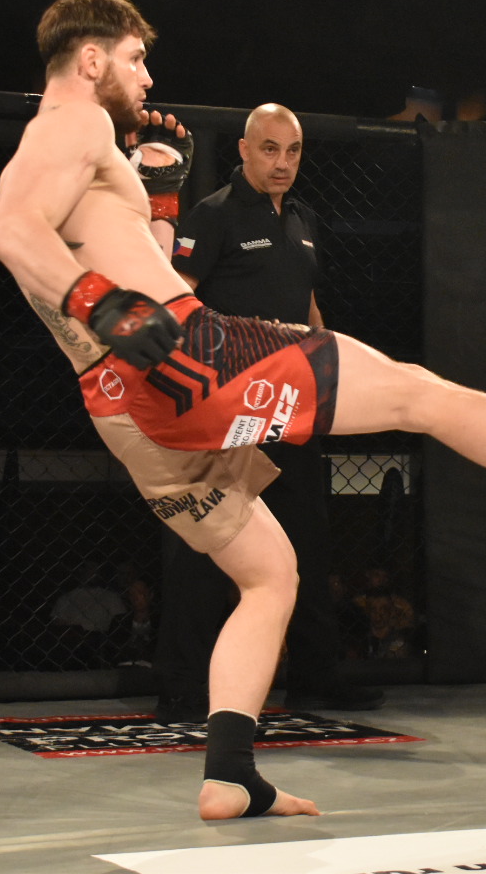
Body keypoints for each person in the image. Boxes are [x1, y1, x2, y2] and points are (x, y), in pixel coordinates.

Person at [0, 0, 486, 821]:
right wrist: (103, 303)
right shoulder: (73, 122)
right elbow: (12, 232)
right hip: (191, 360)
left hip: (127, 415)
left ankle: (229, 772)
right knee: (420, 394)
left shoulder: (86, 152)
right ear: (91, 59)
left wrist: (164, 203)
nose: (146, 77)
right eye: (136, 59)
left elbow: (135, 267)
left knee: (269, 574)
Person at [155, 103, 382, 722]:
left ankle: (315, 679)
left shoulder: (304, 219)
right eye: (270, 149)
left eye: (293, 150)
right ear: (245, 150)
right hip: (231, 407)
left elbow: (307, 307)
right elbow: (178, 300)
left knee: (307, 541)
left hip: (293, 404)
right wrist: (203, 385)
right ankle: (183, 686)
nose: (283, 163)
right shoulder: (214, 215)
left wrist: (328, 376)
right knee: (209, 542)